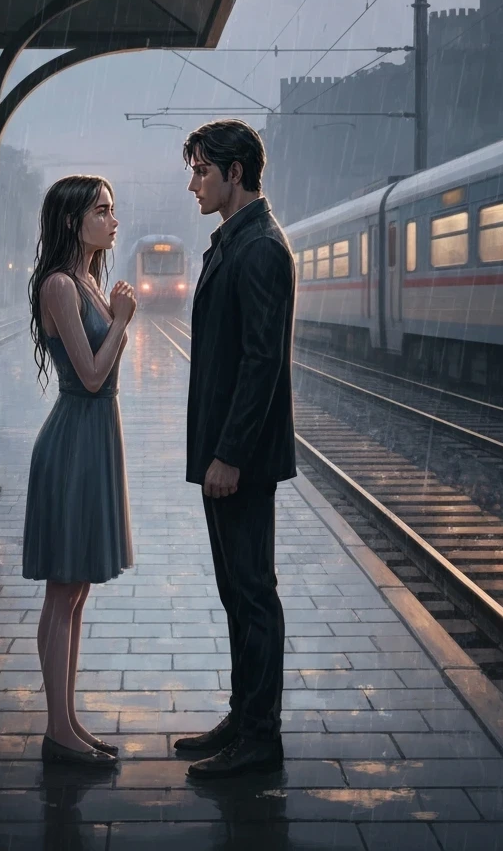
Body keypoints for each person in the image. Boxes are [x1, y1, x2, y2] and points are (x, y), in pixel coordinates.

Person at [175, 119, 296, 779]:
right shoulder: (236, 243)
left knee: (252, 593)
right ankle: (243, 717)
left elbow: (260, 364)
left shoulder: (261, 250)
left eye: (201, 170)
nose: (193, 182)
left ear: (236, 173)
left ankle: (261, 737)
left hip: (239, 460)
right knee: (237, 591)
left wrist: (229, 454)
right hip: (225, 454)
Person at [22, 175, 137, 768]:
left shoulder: (87, 280)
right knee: (63, 589)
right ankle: (58, 730)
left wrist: (114, 310)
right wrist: (122, 319)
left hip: (93, 439)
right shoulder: (62, 285)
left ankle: (66, 721)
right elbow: (92, 375)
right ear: (73, 220)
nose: (113, 220)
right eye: (102, 210)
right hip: (73, 441)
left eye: (113, 210)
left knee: (76, 591)